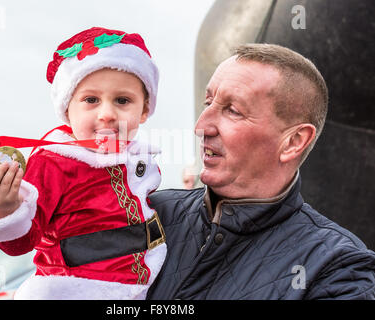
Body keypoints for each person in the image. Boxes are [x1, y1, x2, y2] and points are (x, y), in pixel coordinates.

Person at [147, 43, 375, 300]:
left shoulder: (337, 268)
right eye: (208, 102)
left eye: (233, 110)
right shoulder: (149, 215)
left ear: (293, 141)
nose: (202, 126)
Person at [0, 27, 166, 299]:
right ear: (67, 108)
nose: (107, 114)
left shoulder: (140, 158)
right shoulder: (54, 162)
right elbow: (20, 243)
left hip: (144, 286)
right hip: (74, 290)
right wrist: (7, 208)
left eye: (123, 101)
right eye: (91, 100)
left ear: (145, 110)